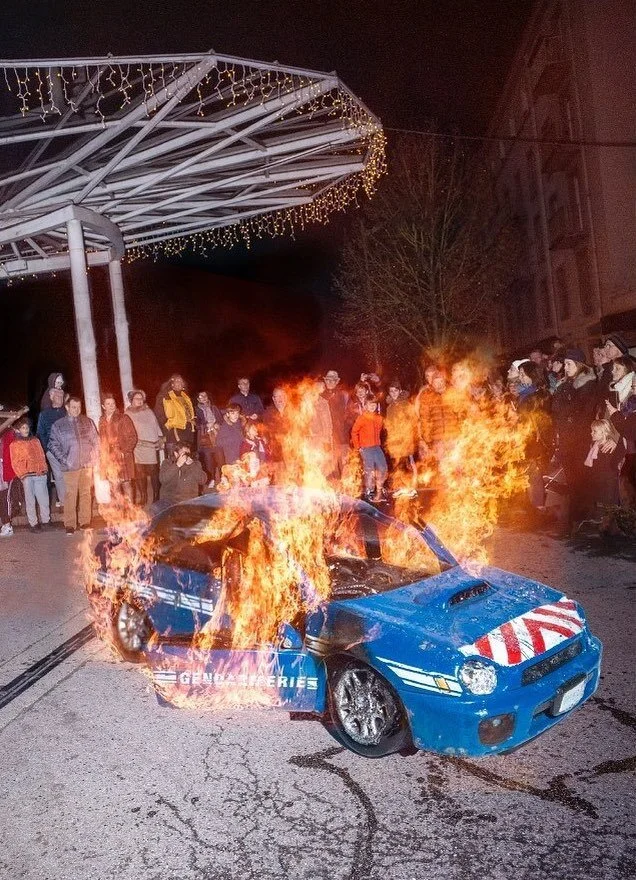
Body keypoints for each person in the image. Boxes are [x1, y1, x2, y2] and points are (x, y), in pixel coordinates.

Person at [551, 349, 598, 534]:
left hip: (579, 438)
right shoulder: (566, 384)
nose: (566, 367)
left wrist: (565, 398)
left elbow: (581, 412)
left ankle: (580, 518)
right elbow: (556, 409)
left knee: (579, 479)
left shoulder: (587, 384)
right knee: (571, 480)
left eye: (569, 364)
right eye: (565, 364)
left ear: (579, 365)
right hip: (566, 438)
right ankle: (574, 519)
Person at [48, 396, 99, 535]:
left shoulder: (88, 422)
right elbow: (52, 445)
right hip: (70, 466)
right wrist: (65, 460)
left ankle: (85, 522)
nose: (76, 410)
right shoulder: (59, 425)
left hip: (86, 465)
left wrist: (93, 458)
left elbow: (96, 441)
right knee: (70, 495)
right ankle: (70, 524)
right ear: (67, 407)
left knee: (86, 493)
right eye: (74, 407)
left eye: (79, 407)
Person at [9, 417, 50, 532]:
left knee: (43, 498)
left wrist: (44, 469)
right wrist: (22, 474)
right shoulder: (15, 444)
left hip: (39, 473)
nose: (25, 429)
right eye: (23, 428)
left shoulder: (35, 440)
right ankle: (33, 523)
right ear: (18, 430)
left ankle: (46, 520)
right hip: (27, 475)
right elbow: (15, 461)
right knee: (30, 500)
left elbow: (41, 455)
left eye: (27, 427)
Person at [582, 420, 624, 526]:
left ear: (603, 432)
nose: (591, 433)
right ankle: (603, 519)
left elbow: (611, 466)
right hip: (600, 479)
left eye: (594, 431)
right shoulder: (595, 446)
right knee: (602, 500)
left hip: (609, 480)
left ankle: (612, 522)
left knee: (610, 502)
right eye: (592, 431)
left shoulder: (608, 448)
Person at [125, 390, 163, 506]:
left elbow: (155, 425)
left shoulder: (148, 411)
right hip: (137, 447)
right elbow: (126, 430)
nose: (140, 401)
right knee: (140, 473)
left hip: (150, 446)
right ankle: (143, 497)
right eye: (137, 399)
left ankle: (156, 496)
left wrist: (160, 437)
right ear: (131, 400)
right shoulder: (128, 413)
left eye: (141, 399)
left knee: (153, 471)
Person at [98, 393, 138, 503]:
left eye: (113, 403)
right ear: (103, 406)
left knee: (126, 483)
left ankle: (130, 510)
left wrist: (124, 452)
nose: (111, 406)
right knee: (114, 485)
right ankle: (119, 510)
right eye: (108, 404)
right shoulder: (102, 420)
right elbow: (102, 439)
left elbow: (133, 437)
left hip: (122, 455)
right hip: (108, 457)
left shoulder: (123, 418)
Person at [351, 395, 388, 502]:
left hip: (376, 447)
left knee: (383, 467)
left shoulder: (379, 418)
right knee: (369, 470)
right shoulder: (362, 418)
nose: (372, 406)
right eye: (370, 404)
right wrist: (358, 447)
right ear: (366, 405)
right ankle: (369, 490)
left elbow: (381, 431)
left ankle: (379, 489)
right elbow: (354, 432)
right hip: (366, 448)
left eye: (374, 404)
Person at [37, 387, 67, 507]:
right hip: (52, 451)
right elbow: (41, 433)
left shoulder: (67, 411)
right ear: (51, 397)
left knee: (70, 475)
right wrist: (47, 450)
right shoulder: (44, 414)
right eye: (57, 396)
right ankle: (64, 502)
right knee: (58, 476)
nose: (60, 398)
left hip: (68, 450)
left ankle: (73, 501)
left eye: (61, 396)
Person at [155, 374, 196, 455]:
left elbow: (190, 412)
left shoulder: (186, 397)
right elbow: (159, 414)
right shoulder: (165, 396)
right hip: (174, 431)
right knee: (174, 456)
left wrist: (193, 419)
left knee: (187, 456)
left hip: (188, 430)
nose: (179, 382)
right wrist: (166, 427)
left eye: (181, 381)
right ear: (172, 384)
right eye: (176, 381)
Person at [158, 443, 206, 508]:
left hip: (188, 501)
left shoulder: (195, 464)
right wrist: (177, 465)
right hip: (169, 500)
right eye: (184, 454)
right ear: (176, 453)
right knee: (154, 509)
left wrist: (192, 465)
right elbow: (163, 479)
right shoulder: (167, 463)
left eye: (188, 454)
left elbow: (203, 480)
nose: (187, 456)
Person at [322, 370, 349, 475]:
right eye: (328, 380)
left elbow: (350, 414)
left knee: (344, 465)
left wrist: (345, 429)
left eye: (333, 380)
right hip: (328, 438)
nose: (330, 382)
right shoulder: (320, 396)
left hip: (342, 436)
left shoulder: (344, 395)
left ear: (337, 382)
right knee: (331, 466)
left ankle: (347, 485)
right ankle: (334, 484)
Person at [195, 390, 222, 482]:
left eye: (205, 395)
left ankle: (223, 478)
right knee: (208, 459)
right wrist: (206, 425)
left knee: (220, 457)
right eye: (201, 396)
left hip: (217, 435)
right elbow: (196, 424)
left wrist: (217, 424)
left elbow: (220, 420)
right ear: (198, 399)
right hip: (205, 437)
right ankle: (211, 479)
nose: (204, 398)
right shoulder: (196, 410)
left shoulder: (214, 407)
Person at [216, 404, 244, 468]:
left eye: (237, 413)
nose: (235, 415)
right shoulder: (225, 426)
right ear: (228, 414)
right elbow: (218, 442)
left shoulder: (240, 423)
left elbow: (243, 437)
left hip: (242, 453)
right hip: (232, 457)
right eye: (232, 413)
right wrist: (232, 438)